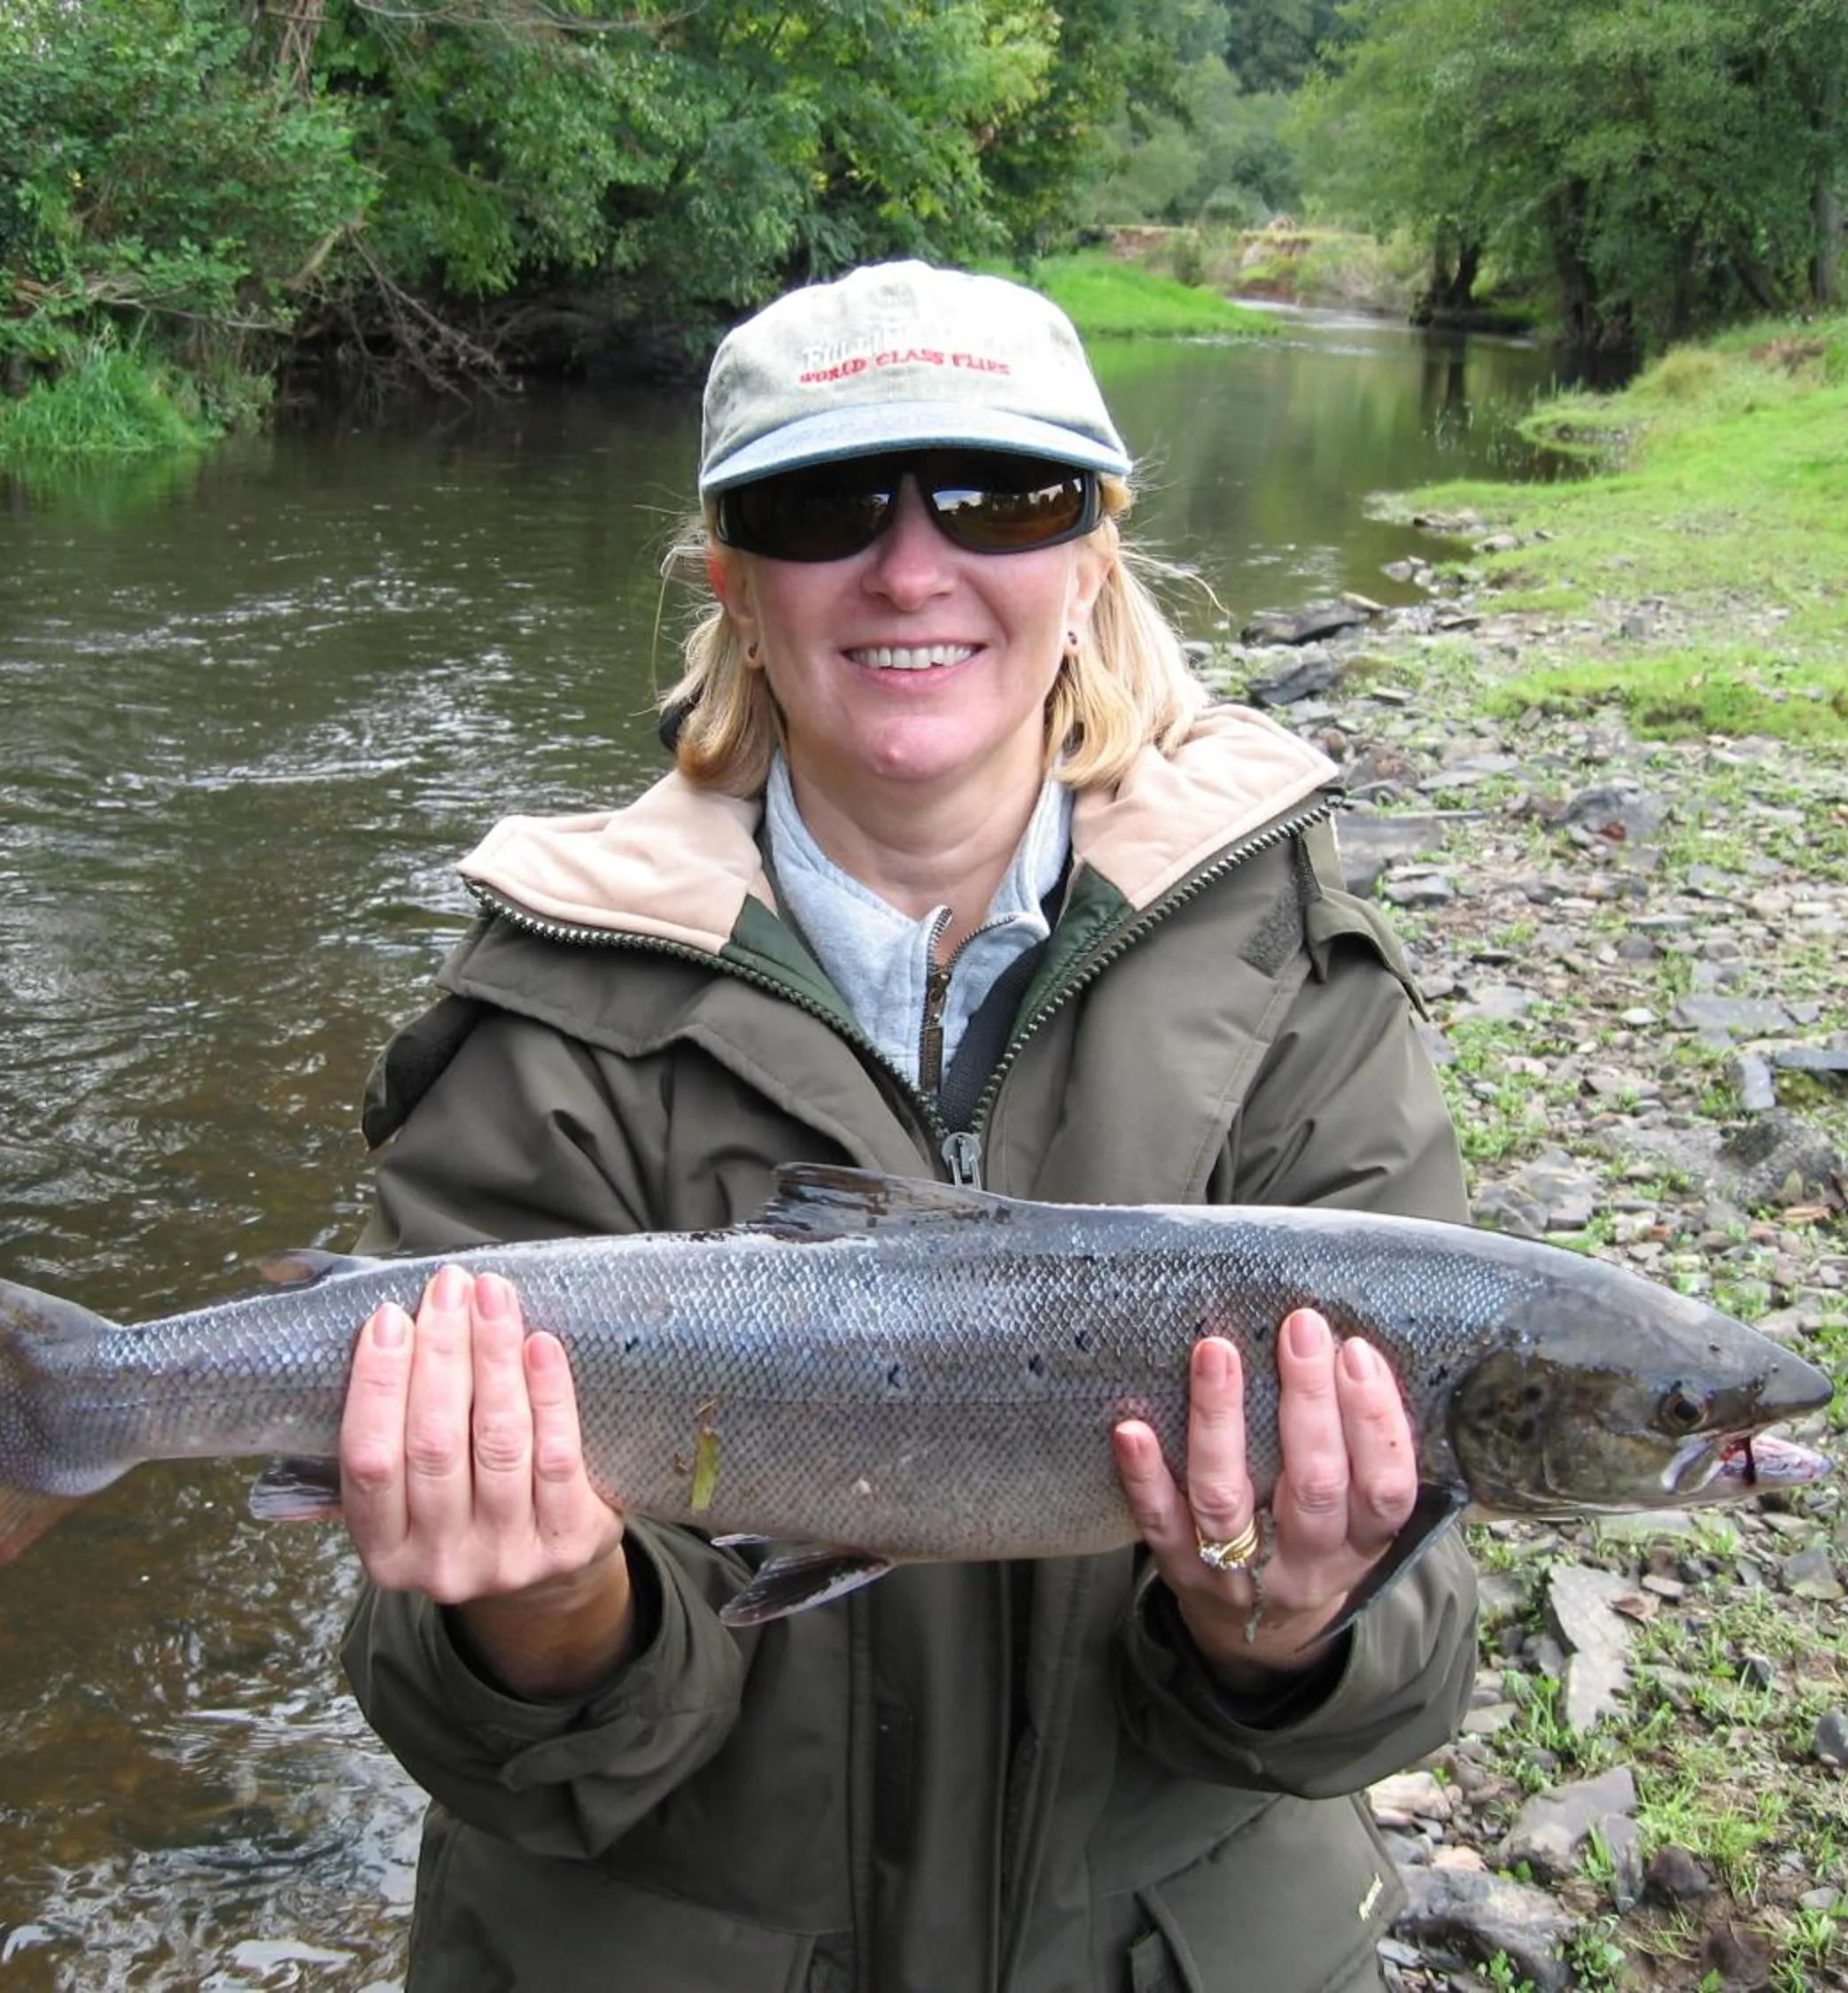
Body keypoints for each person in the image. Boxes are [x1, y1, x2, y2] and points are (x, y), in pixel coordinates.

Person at [335, 260, 1479, 1993]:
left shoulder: (1295, 980)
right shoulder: (537, 1020)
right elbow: (464, 1726)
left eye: (1000, 495)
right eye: (824, 501)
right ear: (731, 574)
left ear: (1094, 553)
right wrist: (548, 1619)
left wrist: (1290, 1626)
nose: (914, 563)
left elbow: (1399, 1679)